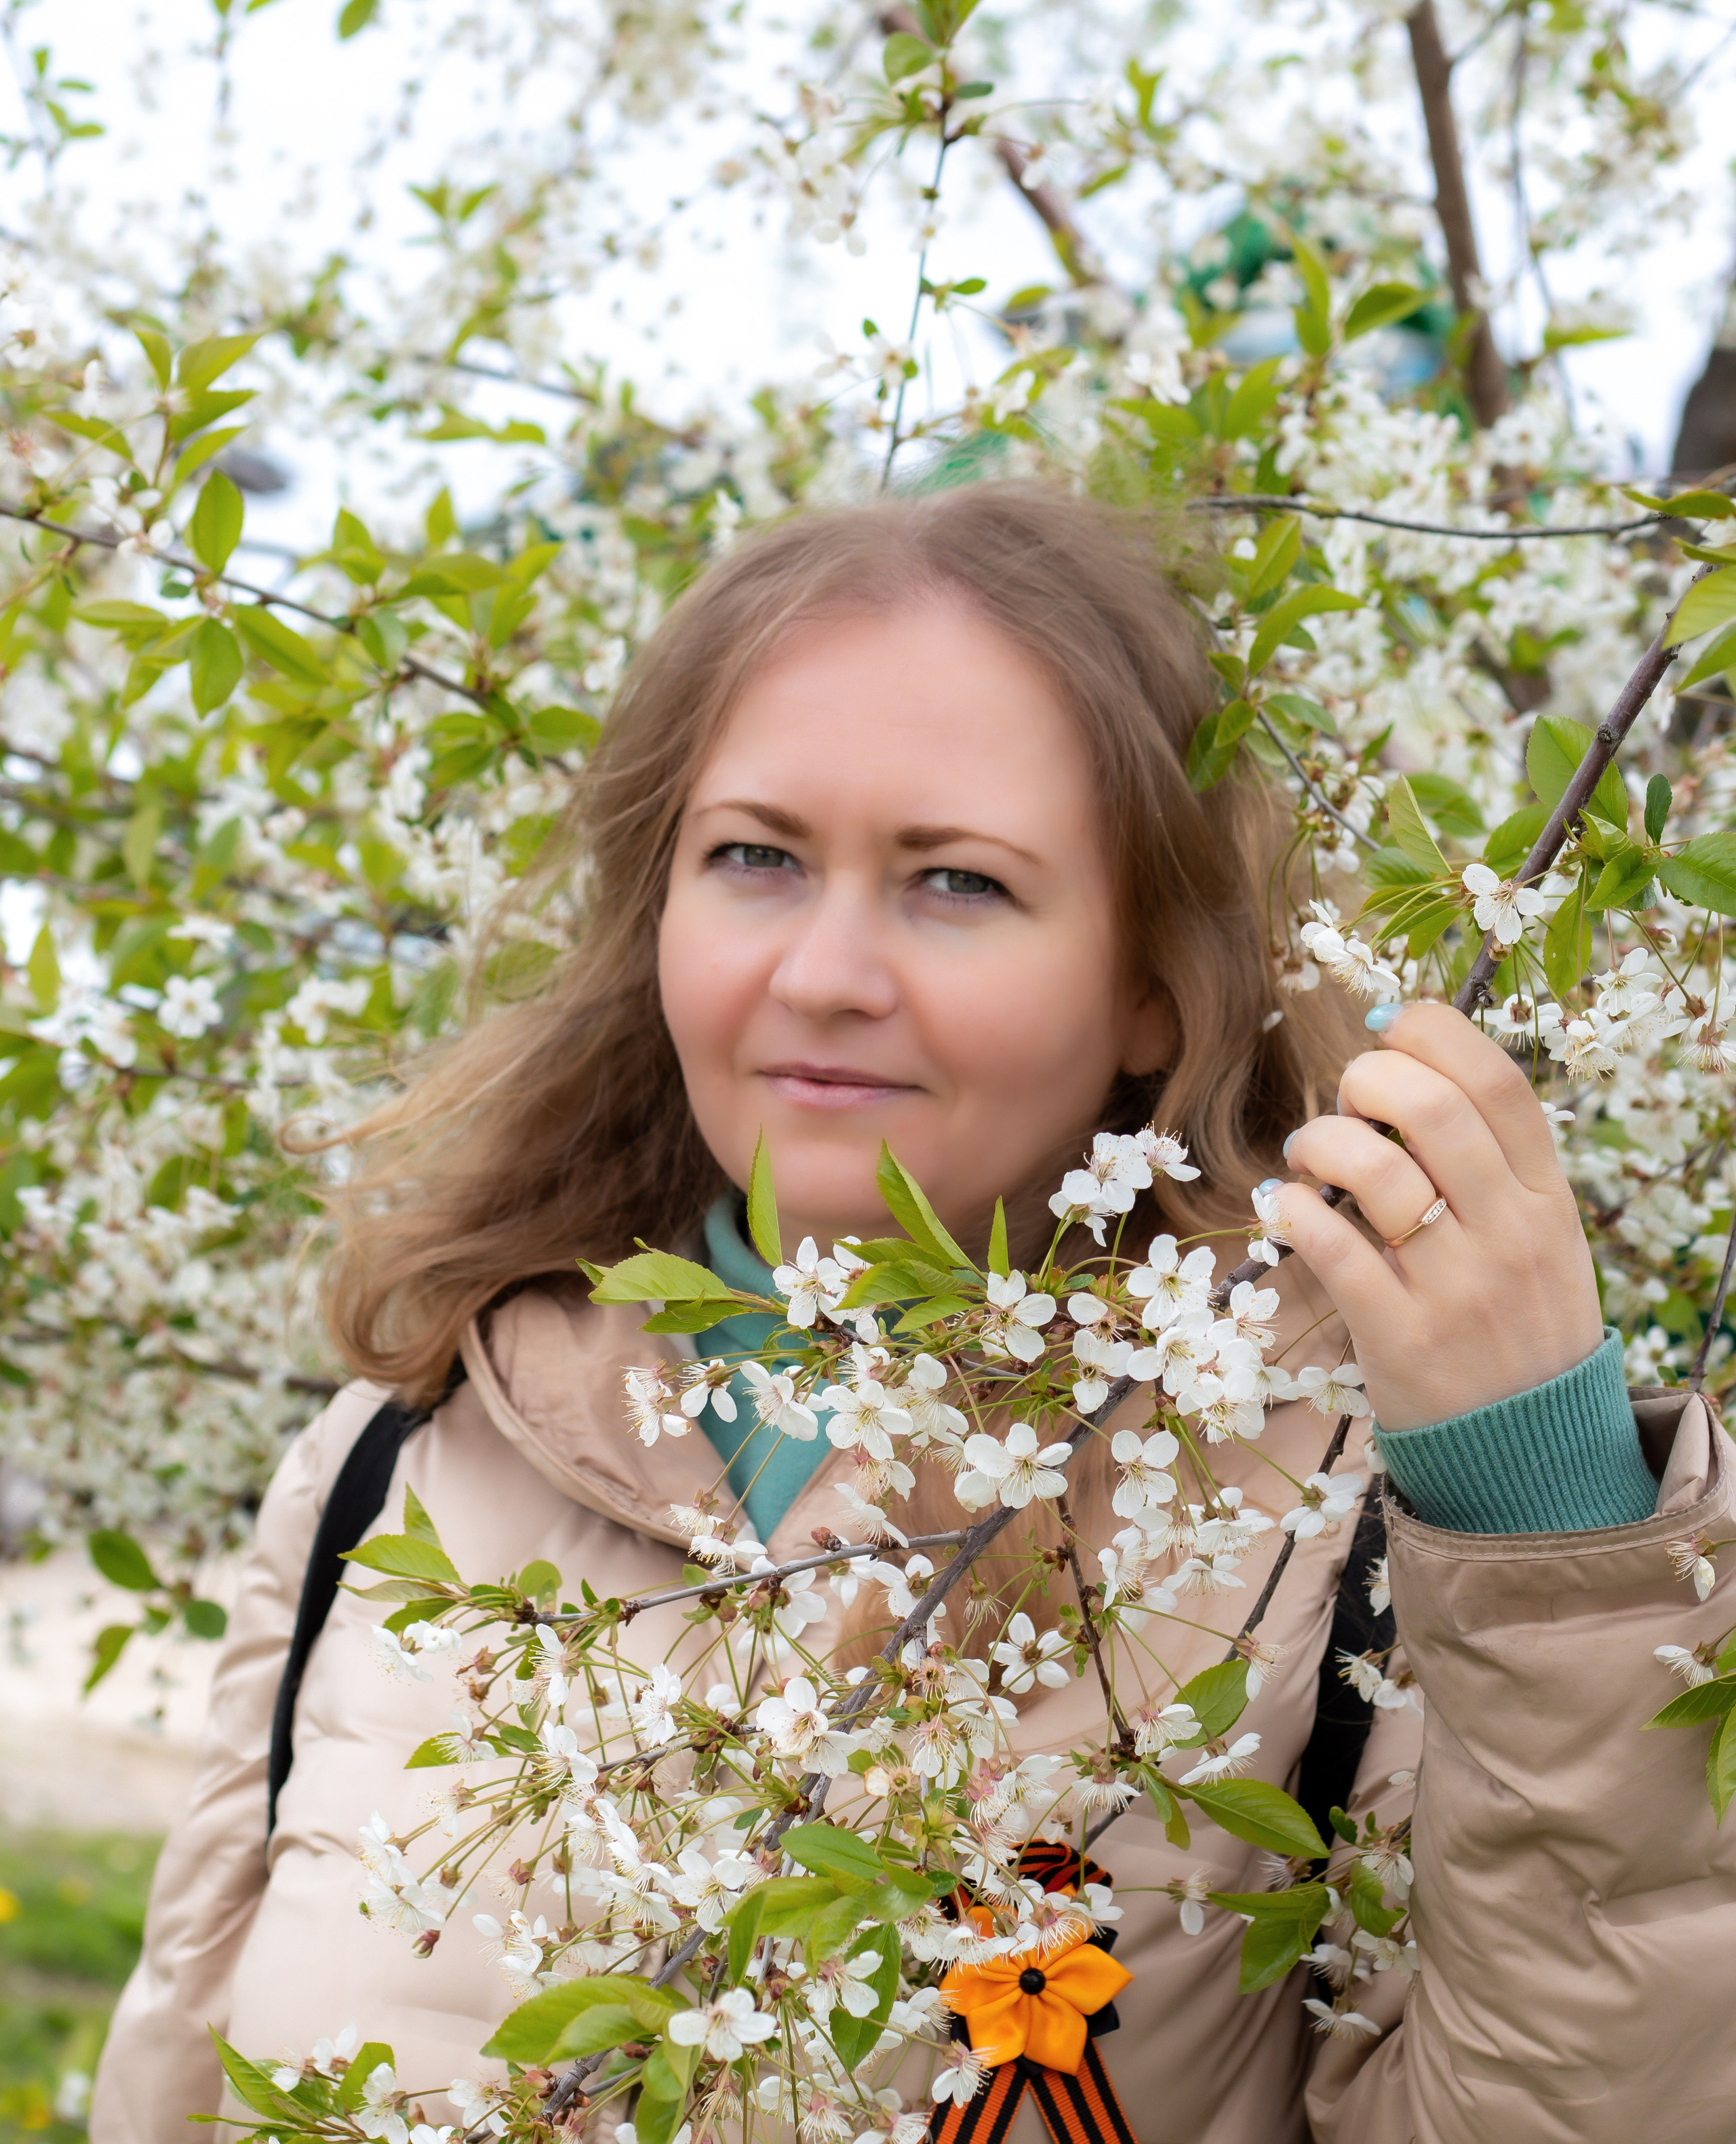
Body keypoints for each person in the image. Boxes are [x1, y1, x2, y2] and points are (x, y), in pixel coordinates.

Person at [93, 486, 1735, 2144]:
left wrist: (1552, 1544)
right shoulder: (397, 1469)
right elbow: (178, 2081)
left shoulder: (1330, 1536)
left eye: (954, 882)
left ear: (1153, 984)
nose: (822, 972)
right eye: (752, 856)